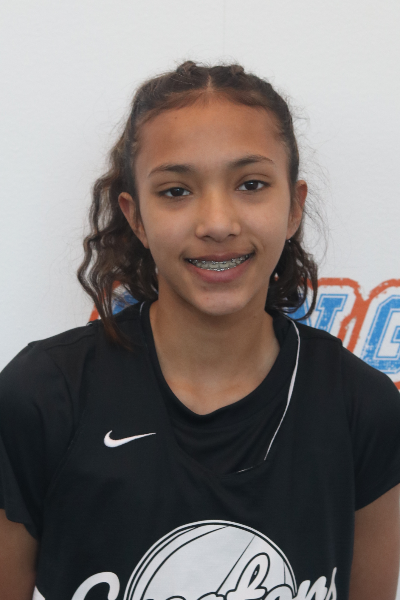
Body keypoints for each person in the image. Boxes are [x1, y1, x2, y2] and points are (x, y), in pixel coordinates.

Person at [0, 61, 399, 600]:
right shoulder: (43, 395)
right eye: (175, 191)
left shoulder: (363, 408)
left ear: (293, 208)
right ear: (135, 217)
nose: (217, 223)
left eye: (251, 184)